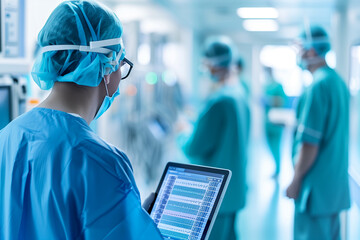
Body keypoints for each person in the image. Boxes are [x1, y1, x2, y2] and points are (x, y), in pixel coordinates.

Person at [0, 1, 162, 239]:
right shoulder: (101, 161)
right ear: (106, 67)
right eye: (121, 62)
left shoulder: (7, 137)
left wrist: (132, 218)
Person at [179, 38, 250, 240]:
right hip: (234, 189)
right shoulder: (240, 95)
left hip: (215, 193)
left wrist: (183, 132)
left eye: (206, 64)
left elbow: (194, 147)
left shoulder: (219, 101)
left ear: (215, 65)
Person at [286, 25, 350, 240]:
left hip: (314, 189)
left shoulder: (317, 87)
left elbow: (309, 143)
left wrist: (296, 180)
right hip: (332, 189)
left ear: (311, 51)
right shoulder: (337, 82)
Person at [262, 66, 287, 177]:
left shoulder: (278, 85)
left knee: (276, 146)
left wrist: (270, 100)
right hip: (267, 121)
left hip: (276, 122)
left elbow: (282, 101)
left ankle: (278, 169)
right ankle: (275, 167)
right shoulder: (266, 86)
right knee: (270, 146)